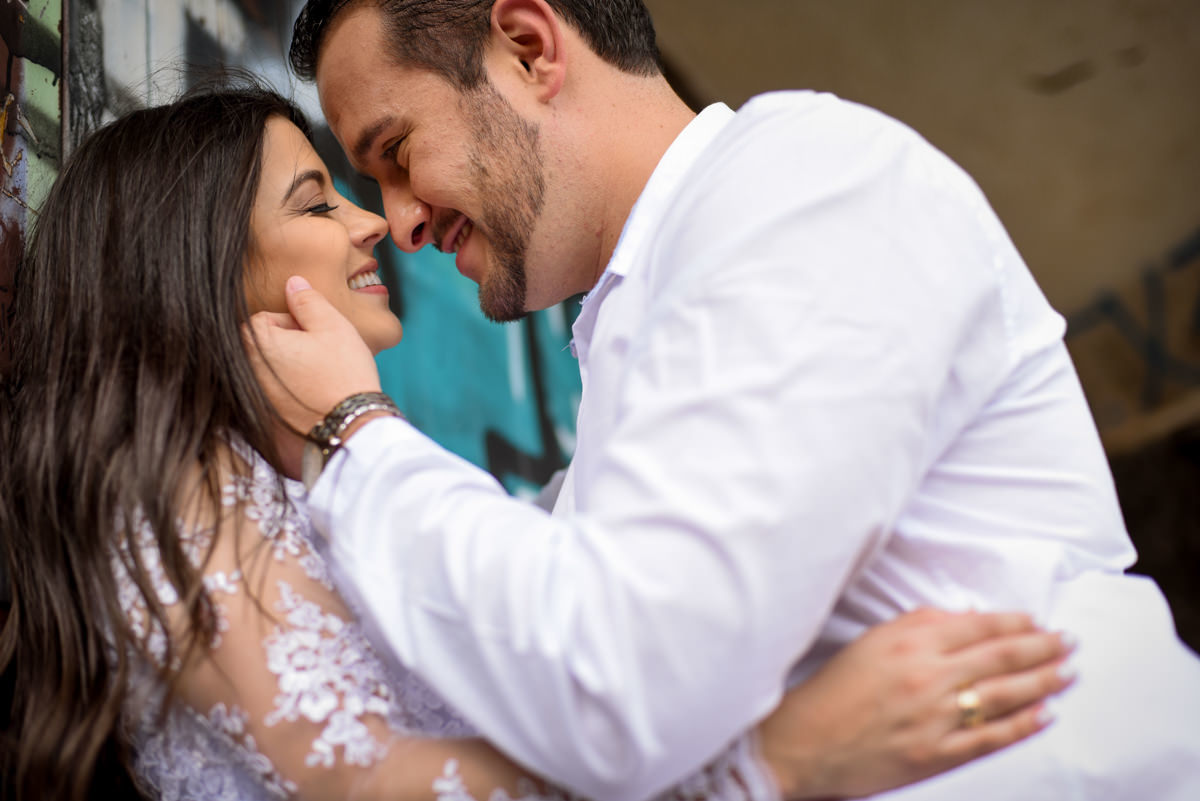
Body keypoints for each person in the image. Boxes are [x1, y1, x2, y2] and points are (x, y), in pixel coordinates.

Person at [0, 79, 1072, 801]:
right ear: (198, 265)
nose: (378, 221)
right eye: (320, 199)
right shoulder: (184, 491)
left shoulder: (313, 482)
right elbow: (360, 779)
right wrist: (774, 762)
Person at [248, 1, 1200, 800]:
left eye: (398, 149)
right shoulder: (641, 319)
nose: (401, 218)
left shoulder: (806, 186)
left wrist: (354, 430)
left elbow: (624, 684)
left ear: (530, 46)